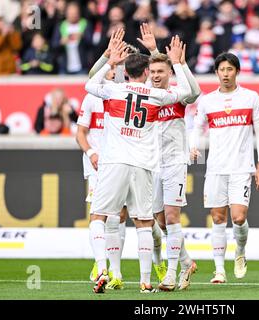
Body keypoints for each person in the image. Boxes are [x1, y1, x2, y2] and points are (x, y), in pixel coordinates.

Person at [85, 37, 191, 293]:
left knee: (98, 216)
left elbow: (90, 84)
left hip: (115, 162)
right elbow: (186, 92)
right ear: (145, 72)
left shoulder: (113, 90)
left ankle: (102, 268)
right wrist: (177, 64)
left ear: (124, 72)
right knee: (144, 222)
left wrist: (110, 60)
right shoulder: (157, 95)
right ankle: (145, 282)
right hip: (144, 165)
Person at [190, 52, 259, 284]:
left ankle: (240, 251)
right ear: (216, 72)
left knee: (239, 217)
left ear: (237, 71)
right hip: (215, 168)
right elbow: (197, 127)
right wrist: (195, 148)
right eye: (222, 70)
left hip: (242, 167)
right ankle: (219, 270)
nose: (225, 74)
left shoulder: (251, 97)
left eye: (230, 69)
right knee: (218, 217)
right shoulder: (207, 101)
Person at [137, 23, 200, 291]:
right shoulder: (147, 95)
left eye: (161, 71)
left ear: (170, 74)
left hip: (174, 162)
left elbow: (194, 93)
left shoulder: (176, 94)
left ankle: (171, 274)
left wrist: (180, 64)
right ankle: (187, 262)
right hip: (152, 164)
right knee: (159, 222)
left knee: (172, 218)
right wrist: (153, 50)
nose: (155, 76)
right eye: (152, 71)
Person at [76, 49, 128, 288]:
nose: (117, 70)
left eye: (121, 67)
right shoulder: (93, 97)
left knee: (119, 216)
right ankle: (101, 263)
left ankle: (115, 270)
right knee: (98, 214)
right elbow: (80, 133)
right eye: (115, 65)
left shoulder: (126, 95)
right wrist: (91, 152)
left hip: (121, 160)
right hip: (97, 163)